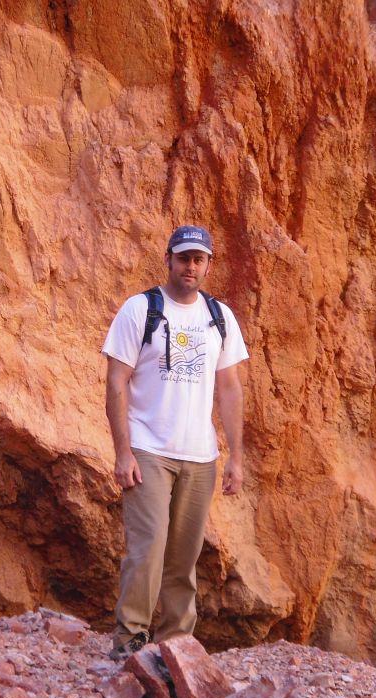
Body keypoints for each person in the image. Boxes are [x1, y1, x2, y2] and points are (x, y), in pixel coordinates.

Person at [102, 224, 249, 660]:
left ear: (208, 265)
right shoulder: (139, 310)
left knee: (183, 560)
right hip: (149, 449)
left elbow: (230, 390)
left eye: (198, 259)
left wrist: (236, 458)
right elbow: (116, 382)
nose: (190, 266)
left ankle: (177, 649)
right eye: (183, 257)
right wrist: (123, 450)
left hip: (200, 456)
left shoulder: (219, 318)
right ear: (168, 259)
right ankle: (131, 643)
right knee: (147, 550)